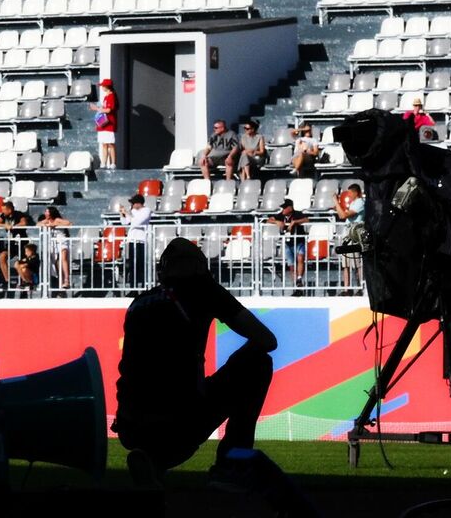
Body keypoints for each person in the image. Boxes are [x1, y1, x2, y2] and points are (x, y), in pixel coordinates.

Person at [114, 238, 277, 484]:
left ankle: (153, 460)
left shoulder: (138, 303)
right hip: (179, 422)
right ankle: (232, 465)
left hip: (131, 425)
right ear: (200, 268)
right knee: (258, 363)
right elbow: (267, 340)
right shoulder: (203, 290)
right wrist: (238, 357)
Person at [266, 199, 311, 288]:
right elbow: (268, 220)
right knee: (291, 265)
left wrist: (294, 222)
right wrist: (277, 222)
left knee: (300, 258)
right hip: (288, 243)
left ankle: (299, 278)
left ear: (290, 208)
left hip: (299, 242)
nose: (283, 210)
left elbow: (307, 220)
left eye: (284, 208)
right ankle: (296, 285)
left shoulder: (297, 214)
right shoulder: (281, 216)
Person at [117, 193, 154, 288]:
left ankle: (142, 286)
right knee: (132, 265)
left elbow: (137, 222)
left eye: (133, 203)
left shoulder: (146, 210)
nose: (132, 206)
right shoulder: (133, 212)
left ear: (138, 203)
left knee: (140, 265)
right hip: (132, 240)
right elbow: (125, 222)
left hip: (141, 240)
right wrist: (122, 214)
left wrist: (129, 213)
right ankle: (133, 287)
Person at [39, 205, 75, 293]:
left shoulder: (57, 220)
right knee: (55, 262)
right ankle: (59, 279)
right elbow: (38, 224)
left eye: (47, 211)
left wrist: (55, 225)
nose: (45, 213)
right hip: (52, 243)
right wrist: (46, 225)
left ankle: (67, 279)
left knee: (64, 259)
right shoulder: (46, 220)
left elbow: (69, 223)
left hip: (62, 240)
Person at [92, 78, 118, 169]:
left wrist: (97, 109)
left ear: (107, 86)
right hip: (103, 123)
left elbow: (108, 110)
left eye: (103, 86)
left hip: (109, 123)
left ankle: (113, 163)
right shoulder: (106, 97)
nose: (102, 87)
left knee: (110, 144)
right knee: (104, 144)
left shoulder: (111, 96)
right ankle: (103, 163)